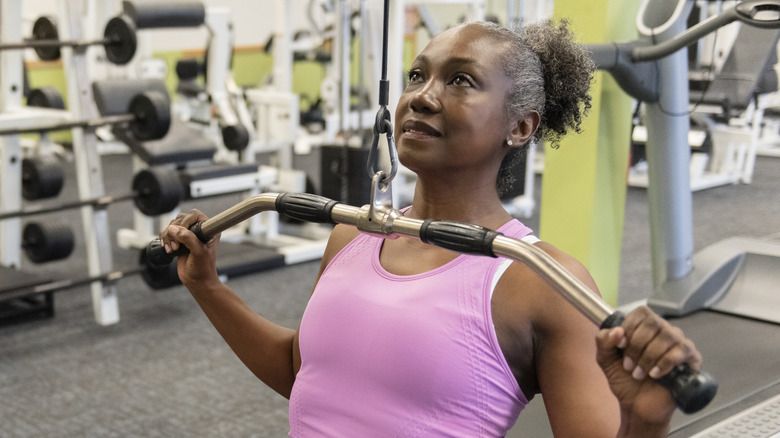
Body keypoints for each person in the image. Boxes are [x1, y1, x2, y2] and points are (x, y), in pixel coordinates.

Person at [159, 18, 703, 437]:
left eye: (460, 80)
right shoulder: (352, 235)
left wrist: (646, 424)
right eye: (418, 75)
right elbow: (304, 373)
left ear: (520, 126)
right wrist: (206, 285)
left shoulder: (540, 280)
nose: (421, 95)